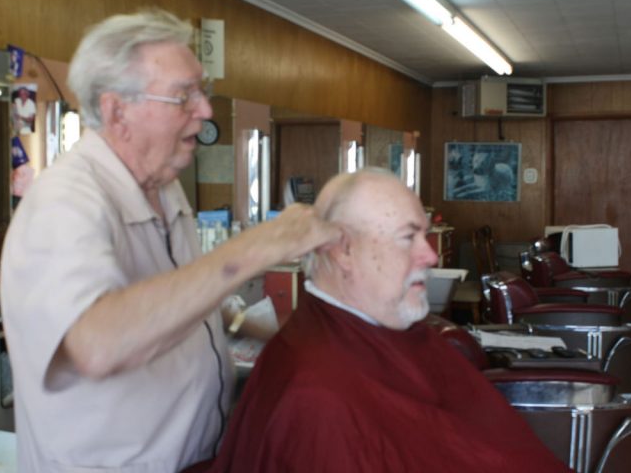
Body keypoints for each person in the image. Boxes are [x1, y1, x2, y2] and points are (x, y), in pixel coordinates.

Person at [0, 9, 340, 473]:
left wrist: (251, 328)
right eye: (184, 96)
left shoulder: (161, 186)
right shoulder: (64, 202)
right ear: (118, 109)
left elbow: (170, 295)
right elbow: (96, 342)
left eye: (202, 91)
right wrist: (256, 247)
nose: (205, 110)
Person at [210, 168, 571, 472]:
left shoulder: (387, 336)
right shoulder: (318, 398)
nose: (429, 255)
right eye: (407, 237)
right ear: (345, 250)